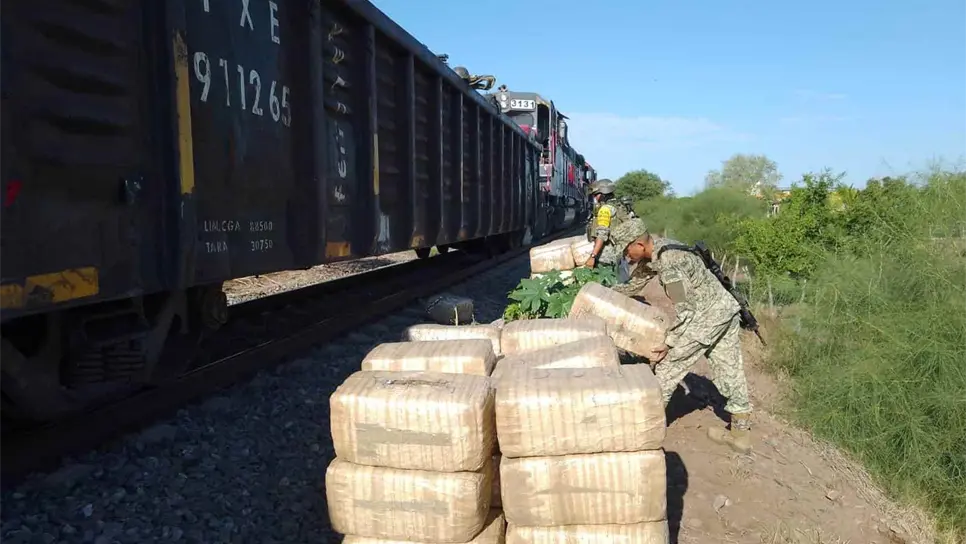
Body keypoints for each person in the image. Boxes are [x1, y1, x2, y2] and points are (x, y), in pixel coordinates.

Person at [621, 232, 753, 453]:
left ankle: (645, 431)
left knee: (667, 366)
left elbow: (686, 310)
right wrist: (604, 295)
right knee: (729, 367)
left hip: (706, 315)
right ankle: (741, 435)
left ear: (640, 245)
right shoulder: (663, 247)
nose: (626, 257)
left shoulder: (669, 265)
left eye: (627, 251)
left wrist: (669, 343)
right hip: (725, 308)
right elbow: (637, 280)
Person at [583, 180, 644, 273]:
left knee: (603, 280)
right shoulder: (620, 206)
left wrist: (593, 256)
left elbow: (602, 235)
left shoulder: (605, 210)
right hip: (620, 253)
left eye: (596, 194)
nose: (595, 197)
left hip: (606, 256)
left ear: (603, 194)